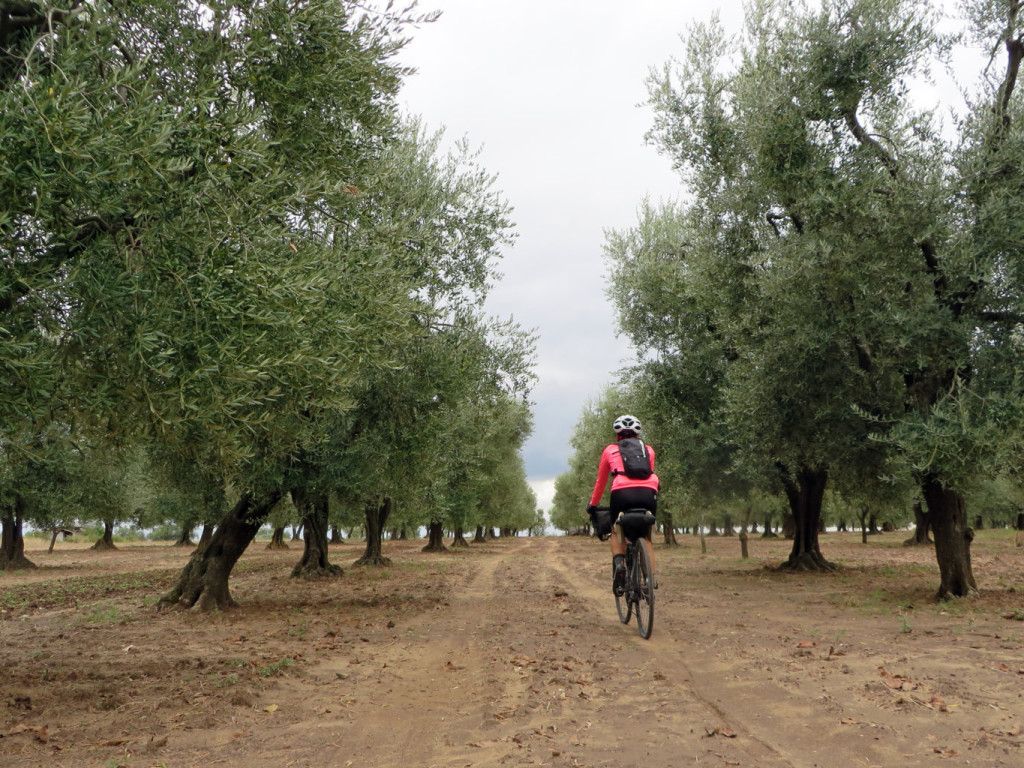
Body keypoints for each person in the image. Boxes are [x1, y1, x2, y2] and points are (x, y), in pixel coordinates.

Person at [586, 414, 659, 594]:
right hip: (648, 492)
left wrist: (592, 505)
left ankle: (619, 564)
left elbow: (601, 481)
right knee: (646, 535)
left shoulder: (610, 450)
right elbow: (648, 473)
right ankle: (649, 579)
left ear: (618, 435)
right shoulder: (648, 450)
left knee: (615, 529)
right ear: (637, 433)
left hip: (621, 492)